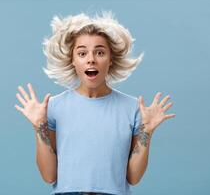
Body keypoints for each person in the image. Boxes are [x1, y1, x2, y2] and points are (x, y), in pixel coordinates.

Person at [14, 12, 176, 195]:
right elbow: (49, 176)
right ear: (73, 60)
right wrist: (39, 126)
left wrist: (147, 131)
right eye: (82, 53)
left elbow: (133, 177)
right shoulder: (53, 107)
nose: (91, 59)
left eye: (100, 52)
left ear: (110, 59)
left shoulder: (132, 109)